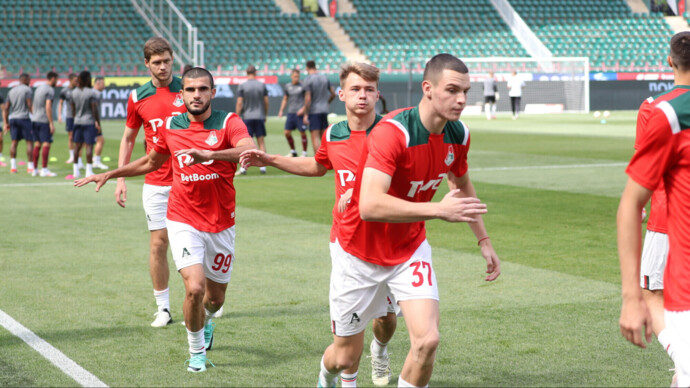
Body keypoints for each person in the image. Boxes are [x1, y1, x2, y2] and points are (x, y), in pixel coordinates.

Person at [313, 54, 500, 388]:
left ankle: (381, 355)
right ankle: (325, 376)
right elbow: (370, 205)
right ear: (427, 89)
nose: (461, 100)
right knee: (343, 359)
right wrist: (437, 210)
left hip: (408, 250)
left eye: (466, 91)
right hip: (357, 253)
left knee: (427, 341)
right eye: (452, 90)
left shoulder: (459, 135)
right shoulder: (393, 132)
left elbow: (460, 182)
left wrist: (483, 240)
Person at [75, 67, 256, 373]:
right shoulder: (172, 125)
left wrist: (207, 154)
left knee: (215, 299)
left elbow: (249, 150)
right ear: (181, 94)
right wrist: (112, 173)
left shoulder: (228, 122)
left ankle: (207, 320)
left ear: (213, 92)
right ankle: (196, 352)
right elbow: (151, 160)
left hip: (222, 222)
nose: (196, 95)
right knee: (195, 288)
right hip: (183, 217)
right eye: (189, 90)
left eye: (202, 89)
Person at [241, 62, 398, 387]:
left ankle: (380, 350)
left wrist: (356, 192)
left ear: (378, 94)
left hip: (390, 242)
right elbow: (317, 165)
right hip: (348, 244)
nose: (363, 95)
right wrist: (270, 158)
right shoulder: (334, 133)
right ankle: (335, 378)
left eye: (369, 89)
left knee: (386, 318)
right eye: (355, 89)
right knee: (347, 343)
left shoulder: (393, 133)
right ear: (340, 94)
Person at [618, 31, 690, 387]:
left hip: (666, 216)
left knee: (651, 293)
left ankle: (681, 359)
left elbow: (643, 174)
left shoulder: (656, 110)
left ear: (669, 63)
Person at [116, 37, 187, 327]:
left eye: (166, 60)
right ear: (146, 64)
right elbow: (129, 138)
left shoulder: (189, 88)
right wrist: (121, 178)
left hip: (190, 179)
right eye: (156, 62)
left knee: (198, 243)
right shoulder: (138, 97)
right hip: (156, 182)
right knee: (159, 244)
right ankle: (164, 309)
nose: (162, 67)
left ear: (173, 60)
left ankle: (202, 301)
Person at [236, 65, 268, 174]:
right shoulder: (261, 85)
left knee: (246, 144)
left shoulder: (243, 86)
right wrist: (265, 114)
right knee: (261, 142)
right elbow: (266, 101)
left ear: (246, 72)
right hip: (259, 116)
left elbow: (240, 102)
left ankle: (243, 167)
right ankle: (263, 166)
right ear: (255, 72)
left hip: (247, 117)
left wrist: (237, 115)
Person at [69, 71, 100, 179]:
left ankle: (75, 170)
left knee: (77, 145)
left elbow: (72, 109)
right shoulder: (90, 92)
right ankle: (89, 171)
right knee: (89, 145)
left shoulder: (73, 92)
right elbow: (94, 109)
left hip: (77, 121)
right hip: (88, 121)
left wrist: (75, 118)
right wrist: (97, 122)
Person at [2, 73, 34, 174]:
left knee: (14, 143)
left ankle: (13, 167)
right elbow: (29, 104)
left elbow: (6, 108)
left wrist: (6, 122)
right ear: (25, 80)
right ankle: (30, 167)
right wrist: (34, 116)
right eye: (29, 80)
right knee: (29, 142)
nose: (30, 82)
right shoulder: (27, 90)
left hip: (14, 119)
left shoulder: (11, 91)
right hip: (24, 118)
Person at [303, 60, 336, 154]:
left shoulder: (308, 79)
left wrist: (305, 114)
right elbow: (333, 94)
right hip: (324, 110)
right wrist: (327, 102)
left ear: (307, 68)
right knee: (323, 137)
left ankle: (318, 161)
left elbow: (308, 99)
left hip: (314, 111)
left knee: (315, 137)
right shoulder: (325, 78)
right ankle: (327, 158)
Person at [30, 71, 58, 177]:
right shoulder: (49, 90)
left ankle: (35, 169)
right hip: (43, 120)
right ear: (53, 78)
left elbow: (33, 104)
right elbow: (48, 106)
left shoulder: (39, 88)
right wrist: (51, 123)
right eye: (57, 79)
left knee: (37, 144)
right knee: (46, 143)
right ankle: (44, 170)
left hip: (35, 119)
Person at [278, 68, 309, 157]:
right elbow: (285, 99)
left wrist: (303, 109)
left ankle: (304, 153)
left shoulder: (303, 86)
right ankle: (293, 151)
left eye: (298, 76)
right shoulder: (287, 86)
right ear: (291, 76)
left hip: (300, 113)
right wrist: (281, 110)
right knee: (287, 132)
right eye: (295, 76)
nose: (297, 78)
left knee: (302, 132)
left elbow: (307, 100)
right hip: (291, 113)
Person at [59, 73, 80, 164]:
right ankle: (72, 156)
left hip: (78, 117)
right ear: (70, 80)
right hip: (69, 116)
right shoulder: (64, 91)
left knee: (79, 138)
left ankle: (78, 158)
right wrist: (59, 115)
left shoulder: (79, 90)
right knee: (71, 137)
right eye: (75, 80)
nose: (77, 82)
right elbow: (61, 103)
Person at [92, 76, 108, 170]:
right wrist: (95, 121)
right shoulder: (95, 94)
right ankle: (96, 161)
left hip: (88, 121)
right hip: (93, 121)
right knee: (100, 140)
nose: (104, 85)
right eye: (103, 83)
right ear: (98, 84)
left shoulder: (91, 92)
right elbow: (93, 109)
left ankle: (80, 162)